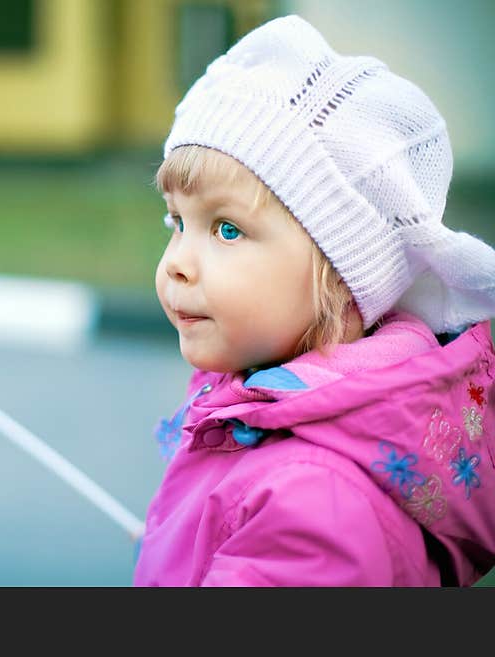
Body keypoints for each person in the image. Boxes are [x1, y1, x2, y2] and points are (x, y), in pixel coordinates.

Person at [133, 15, 495, 586]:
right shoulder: (258, 412)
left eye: (227, 229)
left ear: (340, 278)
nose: (176, 259)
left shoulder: (312, 502)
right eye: (177, 221)